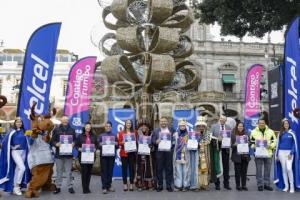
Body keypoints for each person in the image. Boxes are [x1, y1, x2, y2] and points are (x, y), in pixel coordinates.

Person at [0, 117, 30, 195]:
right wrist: (12, 147)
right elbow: (4, 142)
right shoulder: (11, 132)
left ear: (22, 123)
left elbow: (29, 141)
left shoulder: (25, 131)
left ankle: (14, 187)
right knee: (22, 168)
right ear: (15, 123)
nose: (19, 123)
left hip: (23, 152)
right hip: (15, 152)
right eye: (17, 122)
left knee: (18, 169)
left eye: (20, 122)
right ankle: (17, 186)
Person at [51, 115, 76, 194]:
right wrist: (56, 144)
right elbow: (52, 141)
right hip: (59, 154)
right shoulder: (56, 129)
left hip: (68, 155)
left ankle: (70, 186)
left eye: (66, 120)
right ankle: (58, 187)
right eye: (64, 120)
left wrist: (73, 143)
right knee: (59, 171)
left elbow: (75, 140)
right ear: (61, 120)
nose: (65, 121)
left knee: (69, 172)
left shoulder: (72, 130)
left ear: (68, 121)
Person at [250, 118, 276, 191]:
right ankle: (260, 184)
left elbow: (274, 141)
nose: (261, 124)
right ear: (258, 124)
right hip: (258, 154)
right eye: (260, 123)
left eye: (263, 123)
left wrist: (270, 146)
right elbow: (251, 142)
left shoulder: (271, 132)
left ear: (265, 123)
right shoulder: (253, 132)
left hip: (268, 153)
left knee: (267, 170)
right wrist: (255, 145)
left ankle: (266, 184)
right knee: (259, 170)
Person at [274, 118, 300, 193]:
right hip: (281, 153)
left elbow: (294, 145)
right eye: (285, 124)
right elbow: (278, 144)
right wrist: (277, 155)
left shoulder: (292, 133)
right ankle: (286, 186)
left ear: (289, 125)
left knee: (289, 169)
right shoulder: (280, 133)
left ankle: (292, 186)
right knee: (284, 170)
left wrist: (291, 153)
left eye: (287, 124)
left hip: (289, 153)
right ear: (283, 125)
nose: (286, 125)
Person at [196, 116, 222, 190]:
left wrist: (218, 141)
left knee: (206, 169)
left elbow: (215, 143)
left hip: (206, 155)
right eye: (199, 126)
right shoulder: (194, 134)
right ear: (197, 127)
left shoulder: (209, 134)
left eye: (202, 126)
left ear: (205, 126)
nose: (201, 127)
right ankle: (199, 184)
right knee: (198, 169)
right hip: (197, 155)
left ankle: (205, 184)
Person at [151, 117, 174, 192]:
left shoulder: (171, 130)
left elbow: (174, 140)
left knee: (169, 169)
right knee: (159, 169)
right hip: (159, 152)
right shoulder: (156, 130)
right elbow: (152, 141)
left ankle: (168, 185)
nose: (163, 123)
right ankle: (160, 185)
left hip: (168, 152)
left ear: (167, 122)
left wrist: (171, 144)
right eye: (162, 121)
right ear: (159, 122)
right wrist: (156, 141)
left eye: (165, 121)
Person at [211, 115, 232, 190]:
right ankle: (217, 184)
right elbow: (211, 137)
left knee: (226, 167)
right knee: (217, 166)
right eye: (221, 119)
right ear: (219, 119)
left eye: (224, 119)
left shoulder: (229, 127)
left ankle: (226, 184)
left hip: (225, 150)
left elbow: (230, 138)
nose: (222, 120)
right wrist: (217, 140)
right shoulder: (213, 126)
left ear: (226, 120)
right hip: (217, 149)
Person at [75, 122, 98, 194]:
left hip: (91, 157)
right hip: (82, 157)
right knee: (84, 172)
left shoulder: (94, 136)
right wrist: (79, 149)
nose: (88, 128)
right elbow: (76, 145)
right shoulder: (80, 136)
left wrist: (95, 148)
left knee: (89, 172)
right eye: (87, 126)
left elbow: (96, 145)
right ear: (84, 127)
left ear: (91, 128)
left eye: (89, 127)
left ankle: (87, 187)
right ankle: (84, 188)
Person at [118, 119, 137, 191]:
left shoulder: (134, 132)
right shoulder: (121, 133)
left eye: (130, 123)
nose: (128, 124)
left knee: (131, 169)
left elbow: (136, 141)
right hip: (124, 153)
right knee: (124, 169)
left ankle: (131, 184)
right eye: (127, 123)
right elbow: (119, 143)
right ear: (125, 124)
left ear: (131, 124)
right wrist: (122, 142)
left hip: (132, 153)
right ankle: (125, 184)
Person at [135, 119, 155, 190]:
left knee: (148, 168)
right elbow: (134, 144)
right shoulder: (137, 134)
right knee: (140, 168)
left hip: (148, 155)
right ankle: (140, 183)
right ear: (139, 127)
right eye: (142, 126)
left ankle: (148, 183)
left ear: (148, 127)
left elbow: (153, 144)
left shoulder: (151, 134)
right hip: (140, 154)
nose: (144, 127)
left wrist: (151, 146)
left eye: (145, 126)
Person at [99, 121, 118, 194]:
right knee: (104, 172)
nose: (108, 127)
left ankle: (109, 186)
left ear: (111, 127)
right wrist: (101, 144)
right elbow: (98, 145)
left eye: (109, 126)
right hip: (103, 156)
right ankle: (104, 187)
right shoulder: (101, 136)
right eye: (107, 126)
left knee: (110, 171)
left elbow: (117, 146)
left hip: (111, 156)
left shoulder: (114, 136)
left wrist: (116, 143)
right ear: (105, 127)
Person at [231, 122, 250, 191]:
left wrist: (248, 143)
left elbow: (250, 143)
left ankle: (244, 185)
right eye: (239, 126)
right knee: (237, 172)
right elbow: (231, 146)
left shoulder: (247, 134)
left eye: (242, 126)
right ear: (237, 127)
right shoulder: (233, 135)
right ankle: (238, 185)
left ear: (243, 127)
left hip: (245, 156)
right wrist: (234, 145)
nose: (240, 127)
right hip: (237, 156)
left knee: (244, 172)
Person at [173, 119, 190, 191]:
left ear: (185, 126)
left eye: (183, 125)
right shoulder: (175, 134)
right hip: (178, 154)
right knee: (178, 170)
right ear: (179, 126)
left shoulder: (189, 135)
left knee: (186, 170)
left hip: (186, 155)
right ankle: (178, 185)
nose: (182, 127)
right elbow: (173, 143)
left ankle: (186, 185)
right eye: (181, 126)